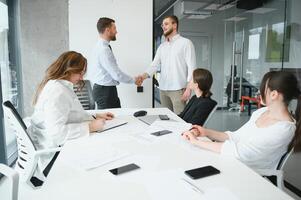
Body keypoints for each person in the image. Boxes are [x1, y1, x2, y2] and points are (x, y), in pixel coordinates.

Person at [182, 71, 301, 171]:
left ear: (274, 94)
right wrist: (206, 132)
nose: (259, 93)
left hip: (249, 173)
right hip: (235, 163)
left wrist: (196, 142)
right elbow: (235, 137)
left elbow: (241, 153)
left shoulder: (284, 129)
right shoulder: (261, 112)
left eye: (262, 89)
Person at [29, 51, 114, 182]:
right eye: (79, 73)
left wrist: (95, 116)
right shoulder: (57, 92)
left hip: (50, 146)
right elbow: (57, 134)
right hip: (52, 156)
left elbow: (70, 114)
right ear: (69, 70)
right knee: (103, 158)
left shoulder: (58, 85)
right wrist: (90, 127)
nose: (81, 78)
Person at [138, 15, 196, 114]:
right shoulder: (162, 47)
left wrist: (189, 88)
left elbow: (192, 67)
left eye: (166, 24)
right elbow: (154, 65)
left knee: (180, 119)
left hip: (178, 89)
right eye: (162, 25)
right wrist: (142, 77)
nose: (163, 27)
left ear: (174, 25)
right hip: (163, 89)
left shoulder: (186, 43)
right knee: (167, 119)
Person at [87, 17, 141, 109]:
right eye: (114, 28)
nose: (116, 31)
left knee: (115, 118)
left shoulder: (99, 46)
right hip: (105, 92)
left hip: (105, 90)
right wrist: (133, 80)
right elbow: (117, 75)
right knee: (111, 121)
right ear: (108, 30)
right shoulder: (104, 50)